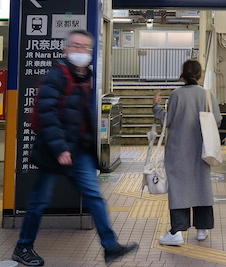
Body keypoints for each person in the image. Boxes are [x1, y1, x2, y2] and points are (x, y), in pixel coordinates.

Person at [13, 30, 138, 266]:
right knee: (39, 201)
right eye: (76, 46)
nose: (81, 51)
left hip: (79, 150)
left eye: (86, 48)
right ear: (66, 50)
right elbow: (47, 114)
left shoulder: (84, 77)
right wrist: (60, 148)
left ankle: (110, 246)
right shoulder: (57, 76)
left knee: (93, 197)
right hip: (55, 150)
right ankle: (23, 247)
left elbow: (79, 115)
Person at [151, 59, 222, 245]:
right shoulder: (207, 94)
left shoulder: (176, 95)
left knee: (179, 189)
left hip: (179, 151)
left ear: (183, 74)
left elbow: (167, 121)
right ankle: (202, 229)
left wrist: (156, 107)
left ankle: (177, 232)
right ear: (200, 74)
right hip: (202, 149)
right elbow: (218, 120)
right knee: (202, 186)